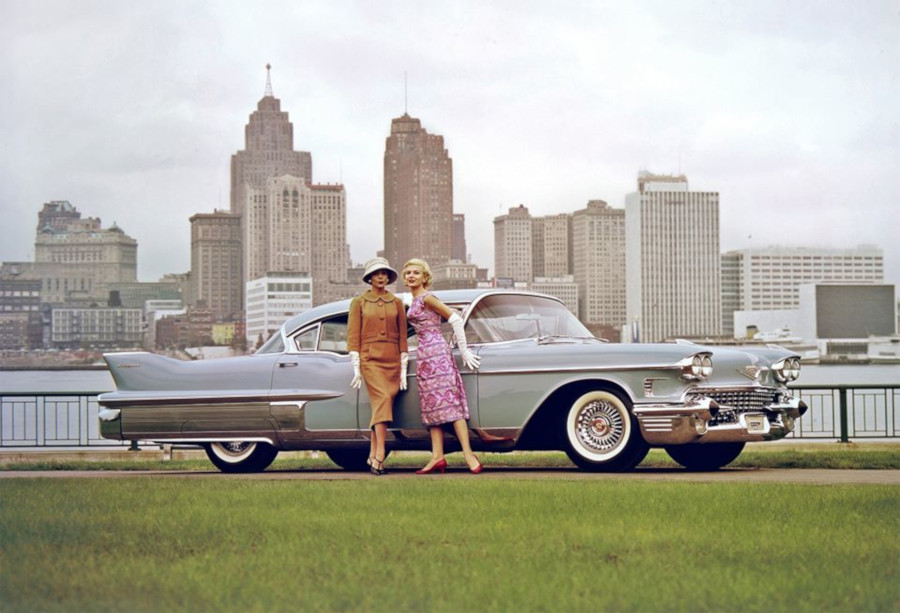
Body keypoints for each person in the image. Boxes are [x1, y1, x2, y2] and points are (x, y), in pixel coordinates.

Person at [402, 258, 483, 474]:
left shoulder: (428, 298)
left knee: (451, 404)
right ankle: (437, 456)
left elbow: (454, 318)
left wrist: (464, 350)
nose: (411, 276)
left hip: (438, 352)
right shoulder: (414, 300)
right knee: (432, 408)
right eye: (408, 272)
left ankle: (468, 454)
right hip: (424, 355)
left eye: (416, 273)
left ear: (424, 277)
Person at [347, 257, 409, 476]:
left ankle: (373, 456)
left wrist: (403, 368)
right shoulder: (359, 302)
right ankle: (381, 451)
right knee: (382, 399)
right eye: (377, 273)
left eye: (384, 273)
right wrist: (356, 366)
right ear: (370, 278)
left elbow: (403, 336)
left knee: (380, 406)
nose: (381, 276)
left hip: (392, 360)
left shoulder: (397, 303)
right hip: (370, 360)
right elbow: (353, 337)